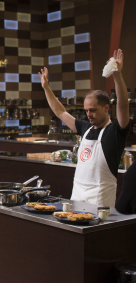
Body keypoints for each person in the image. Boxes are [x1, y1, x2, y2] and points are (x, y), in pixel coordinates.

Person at [39, 49, 130, 207]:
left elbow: (123, 105)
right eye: (86, 110)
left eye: (93, 110)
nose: (89, 114)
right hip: (77, 196)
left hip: (100, 202)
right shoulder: (85, 128)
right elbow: (60, 111)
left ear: (106, 108)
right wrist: (46, 88)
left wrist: (117, 75)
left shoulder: (116, 131)